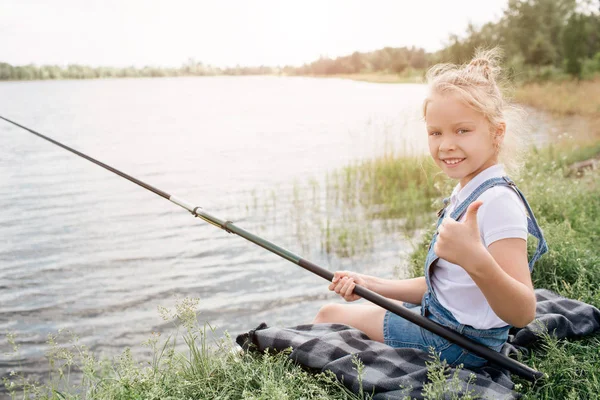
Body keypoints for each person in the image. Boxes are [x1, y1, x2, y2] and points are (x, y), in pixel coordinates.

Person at [312, 48, 548, 369]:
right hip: (443, 323)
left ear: (497, 132)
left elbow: (523, 312)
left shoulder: (498, 203)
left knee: (328, 315)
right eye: (435, 133)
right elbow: (448, 286)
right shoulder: (468, 186)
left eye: (462, 130)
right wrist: (371, 284)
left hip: (457, 344)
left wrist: (475, 259)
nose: (445, 144)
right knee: (345, 313)